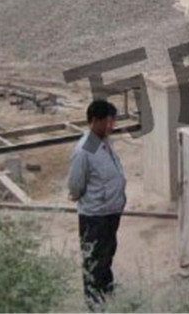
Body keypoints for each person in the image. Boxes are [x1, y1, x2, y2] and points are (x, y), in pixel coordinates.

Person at [67, 100, 126, 308]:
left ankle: (106, 293)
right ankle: (94, 303)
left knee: (106, 256)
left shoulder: (104, 142)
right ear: (93, 121)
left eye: (113, 121)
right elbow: (75, 185)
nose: (111, 126)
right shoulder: (84, 150)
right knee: (94, 261)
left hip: (110, 212)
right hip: (95, 216)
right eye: (107, 122)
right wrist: (94, 199)